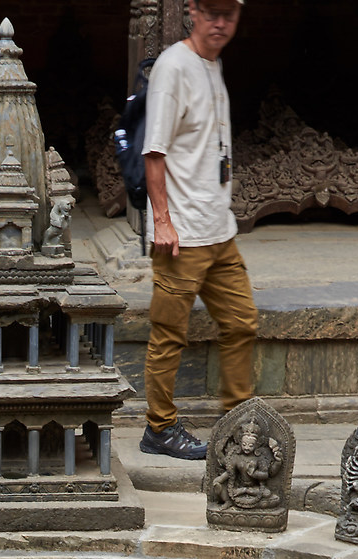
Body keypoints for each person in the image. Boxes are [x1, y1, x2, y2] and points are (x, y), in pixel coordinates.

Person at [137, 0, 256, 462]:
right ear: (192, 10)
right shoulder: (174, 67)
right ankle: (159, 428)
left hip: (218, 231)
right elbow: (154, 152)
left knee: (242, 321)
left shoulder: (213, 63)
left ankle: (238, 421)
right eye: (212, 12)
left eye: (229, 14)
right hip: (181, 235)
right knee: (170, 333)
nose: (220, 23)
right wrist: (163, 221)